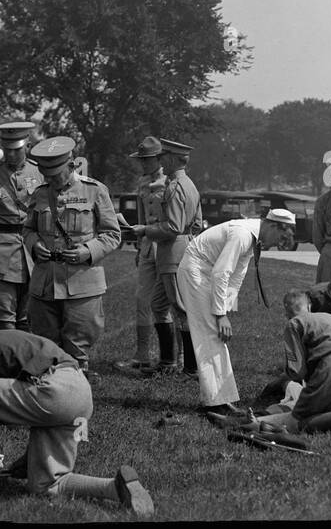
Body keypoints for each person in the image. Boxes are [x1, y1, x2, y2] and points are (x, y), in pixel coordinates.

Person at [0, 330, 154, 514]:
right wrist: (29, 460)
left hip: (55, 389)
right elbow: (31, 401)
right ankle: (116, 489)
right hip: (80, 393)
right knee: (45, 485)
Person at [176, 208, 296, 421]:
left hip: (207, 272)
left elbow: (236, 275)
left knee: (214, 336)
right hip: (196, 271)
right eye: (277, 238)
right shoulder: (242, 234)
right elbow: (222, 272)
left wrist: (226, 310)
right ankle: (215, 403)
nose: (272, 245)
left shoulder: (252, 238)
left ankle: (221, 400)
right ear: (272, 225)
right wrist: (220, 315)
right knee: (210, 335)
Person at [23, 136, 121, 376]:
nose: (52, 180)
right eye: (48, 175)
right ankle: (51, 384)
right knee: (46, 342)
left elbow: (112, 234)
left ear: (71, 165)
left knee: (78, 340)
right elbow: (27, 229)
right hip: (45, 282)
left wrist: (87, 252)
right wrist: (34, 245)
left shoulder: (95, 191)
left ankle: (78, 381)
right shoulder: (40, 194)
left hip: (82, 282)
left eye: (56, 174)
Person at [253, 290, 331, 443]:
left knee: (299, 419)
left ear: (286, 313)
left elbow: (297, 372)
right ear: (310, 307)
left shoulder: (294, 324)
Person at [125, 137, 204, 375]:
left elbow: (173, 227)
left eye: (161, 157)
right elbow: (197, 222)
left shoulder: (175, 186)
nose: (159, 161)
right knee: (158, 303)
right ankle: (168, 362)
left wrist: (145, 231)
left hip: (172, 252)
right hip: (174, 249)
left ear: (170, 159)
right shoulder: (186, 183)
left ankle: (189, 367)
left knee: (180, 308)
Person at [0, 122, 44, 331]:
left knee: (30, 319)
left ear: (27, 146)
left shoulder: (40, 174)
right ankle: (6, 362)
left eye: (16, 150)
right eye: (7, 150)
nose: (11, 155)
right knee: (4, 320)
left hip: (35, 253)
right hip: (1, 260)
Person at [114, 135, 168, 375]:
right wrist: (139, 245)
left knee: (169, 302)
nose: (144, 164)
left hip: (167, 245)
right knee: (142, 300)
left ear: (159, 158)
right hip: (148, 245)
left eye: (148, 160)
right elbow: (142, 218)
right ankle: (142, 355)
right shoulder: (142, 183)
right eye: (142, 160)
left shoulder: (171, 182)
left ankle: (173, 357)